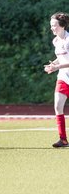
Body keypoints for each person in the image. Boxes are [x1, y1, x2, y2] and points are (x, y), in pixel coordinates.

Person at [44, 12, 69, 148]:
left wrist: (57, 66)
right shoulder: (55, 41)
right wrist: (52, 65)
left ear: (62, 26)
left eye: (54, 25)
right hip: (63, 77)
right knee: (58, 107)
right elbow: (61, 57)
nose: (52, 28)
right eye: (51, 25)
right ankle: (63, 139)